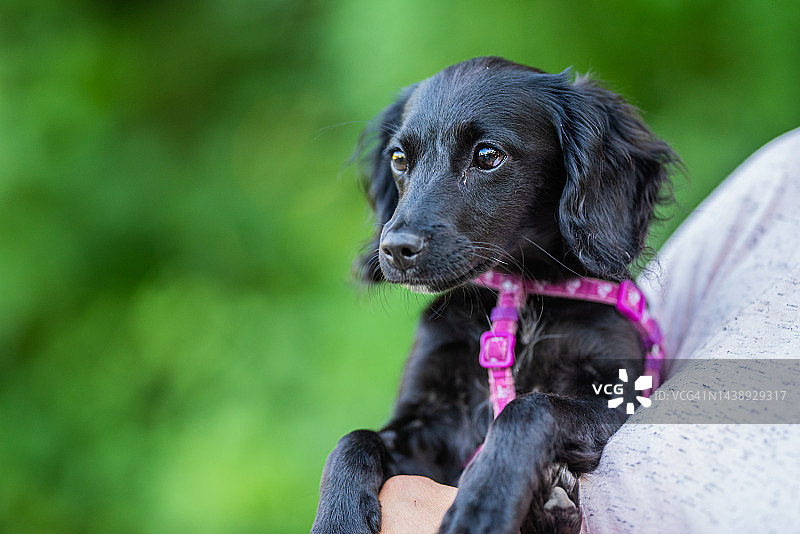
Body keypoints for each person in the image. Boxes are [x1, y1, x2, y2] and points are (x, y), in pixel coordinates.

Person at [377, 127, 800, 534]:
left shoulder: (600, 316)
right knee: (357, 452)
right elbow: (413, 449)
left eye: (486, 157)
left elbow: (622, 404)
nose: (400, 233)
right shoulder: (776, 183)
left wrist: (534, 423)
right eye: (402, 160)